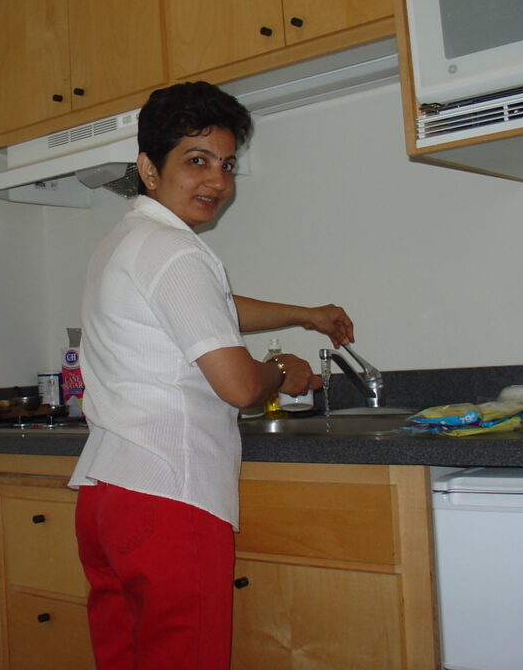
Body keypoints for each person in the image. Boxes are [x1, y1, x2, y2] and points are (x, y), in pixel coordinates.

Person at [68, 81, 354, 670]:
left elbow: (212, 305)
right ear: (149, 167)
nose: (217, 182)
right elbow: (241, 388)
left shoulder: (127, 242)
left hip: (108, 499)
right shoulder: (175, 251)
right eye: (196, 161)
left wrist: (304, 314)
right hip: (170, 498)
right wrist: (281, 369)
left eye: (226, 164)